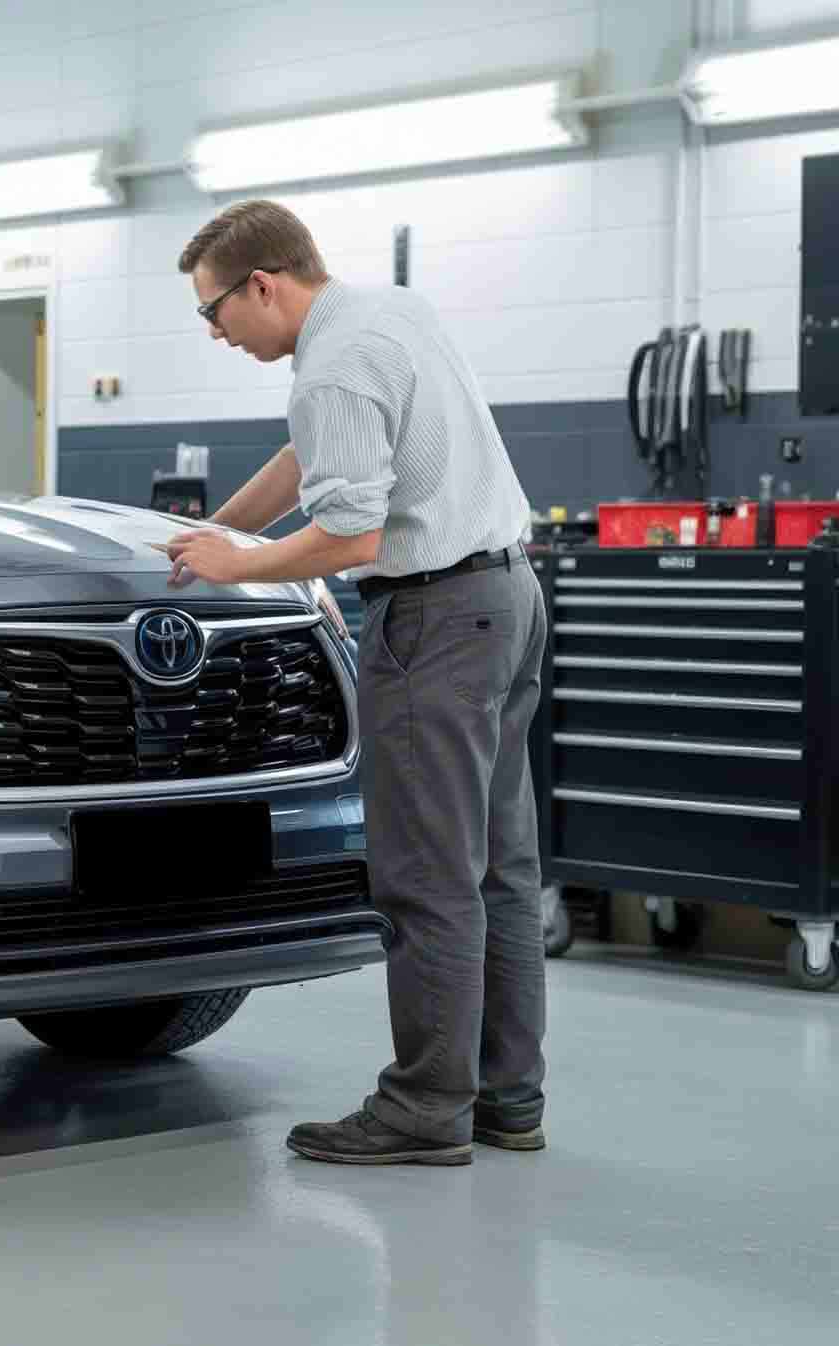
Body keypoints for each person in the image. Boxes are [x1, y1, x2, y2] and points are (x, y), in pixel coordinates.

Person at [161, 200, 549, 1167]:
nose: (216, 334)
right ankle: (509, 1098)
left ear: (263, 285)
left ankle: (425, 1109)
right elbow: (318, 463)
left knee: (425, 877)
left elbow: (352, 536)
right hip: (508, 598)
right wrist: (227, 528)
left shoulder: (328, 369)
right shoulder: (389, 314)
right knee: (499, 870)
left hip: (433, 622)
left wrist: (231, 568)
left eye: (214, 313)